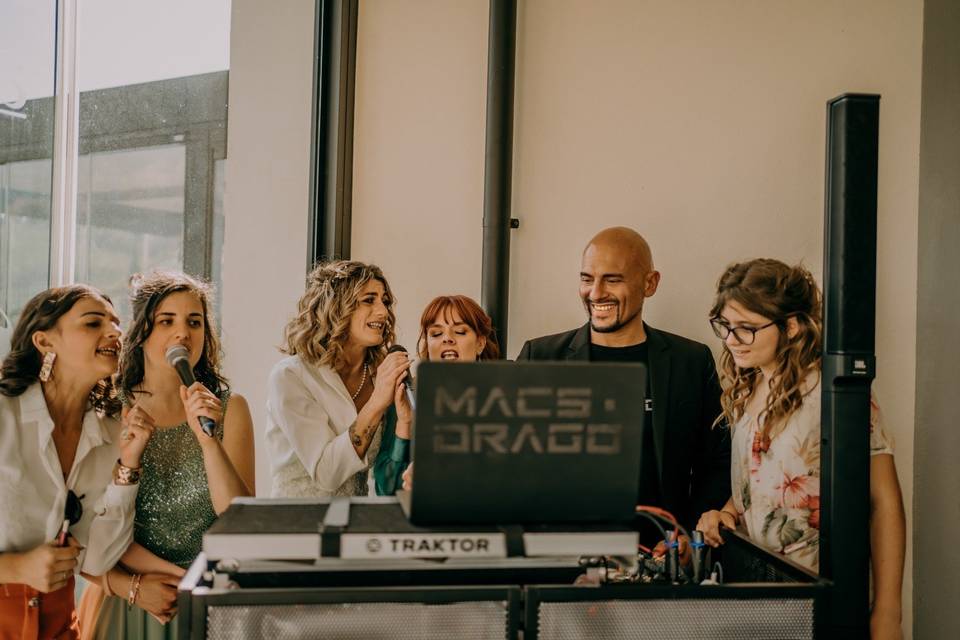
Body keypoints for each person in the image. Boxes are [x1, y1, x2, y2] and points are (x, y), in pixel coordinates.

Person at [695, 258, 905, 638]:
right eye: (725, 326)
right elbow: (759, 484)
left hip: (823, 599)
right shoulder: (748, 388)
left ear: (790, 326)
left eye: (746, 329)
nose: (730, 340)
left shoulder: (835, 395)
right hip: (759, 595)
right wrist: (723, 512)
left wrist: (889, 611)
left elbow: (883, 501)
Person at [515, 227, 730, 540]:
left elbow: (717, 463)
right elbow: (508, 461)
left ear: (650, 283)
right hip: (561, 561)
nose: (596, 292)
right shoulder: (541, 356)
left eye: (612, 279)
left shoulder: (691, 361)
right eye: (587, 278)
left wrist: (690, 536)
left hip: (661, 560)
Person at [79, 272, 255, 638]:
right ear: (141, 332)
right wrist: (142, 585)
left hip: (205, 602)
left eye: (195, 322)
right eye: (167, 321)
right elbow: (94, 526)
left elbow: (238, 518)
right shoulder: (108, 410)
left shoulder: (230, 408)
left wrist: (208, 440)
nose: (183, 334)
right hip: (129, 601)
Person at [0, 286, 152, 639]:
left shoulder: (113, 432)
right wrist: (16, 567)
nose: (115, 331)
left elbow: (96, 559)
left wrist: (128, 466)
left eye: (115, 323)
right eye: (93, 323)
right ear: (44, 342)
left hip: (58, 626)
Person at [266, 260, 411, 497]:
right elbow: (327, 474)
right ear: (336, 307)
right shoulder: (290, 376)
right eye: (368, 300)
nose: (383, 311)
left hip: (355, 525)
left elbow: (389, 475)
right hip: (296, 525)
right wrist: (377, 401)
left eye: (384, 301)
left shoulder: (381, 375)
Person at [374, 294, 501, 495]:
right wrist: (405, 424)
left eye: (459, 331)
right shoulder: (405, 396)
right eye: (436, 334)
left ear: (480, 343)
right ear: (427, 344)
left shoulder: (502, 397)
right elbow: (384, 490)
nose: (447, 338)